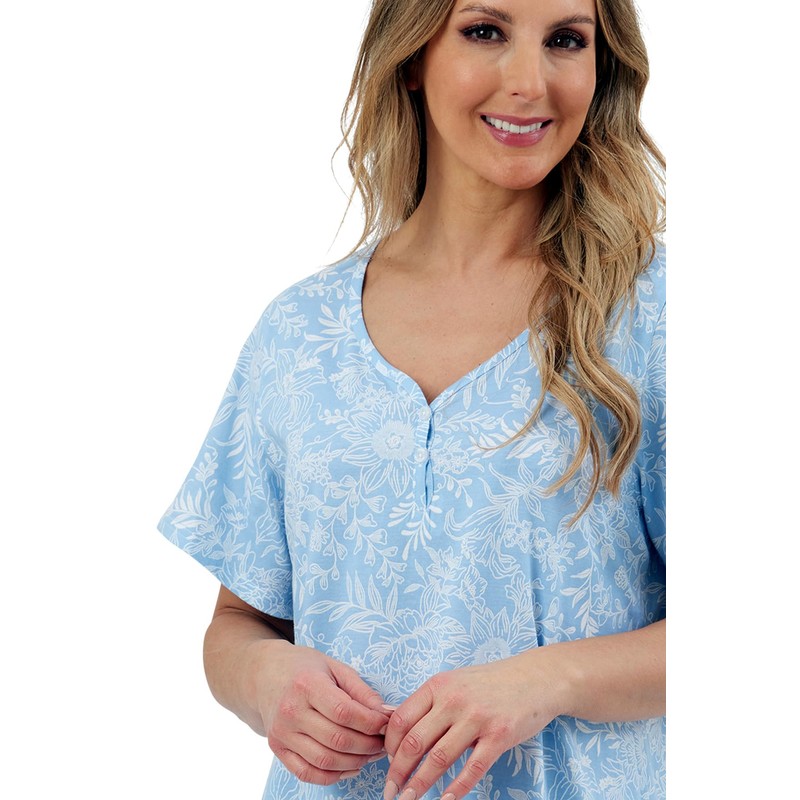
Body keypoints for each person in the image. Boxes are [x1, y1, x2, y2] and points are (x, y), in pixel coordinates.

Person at [158, 0, 666, 798]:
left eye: (566, 40)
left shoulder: (654, 317)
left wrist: (549, 679)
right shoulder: (299, 334)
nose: (529, 81)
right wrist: (264, 679)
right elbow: (239, 624)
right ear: (412, 55)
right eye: (485, 31)